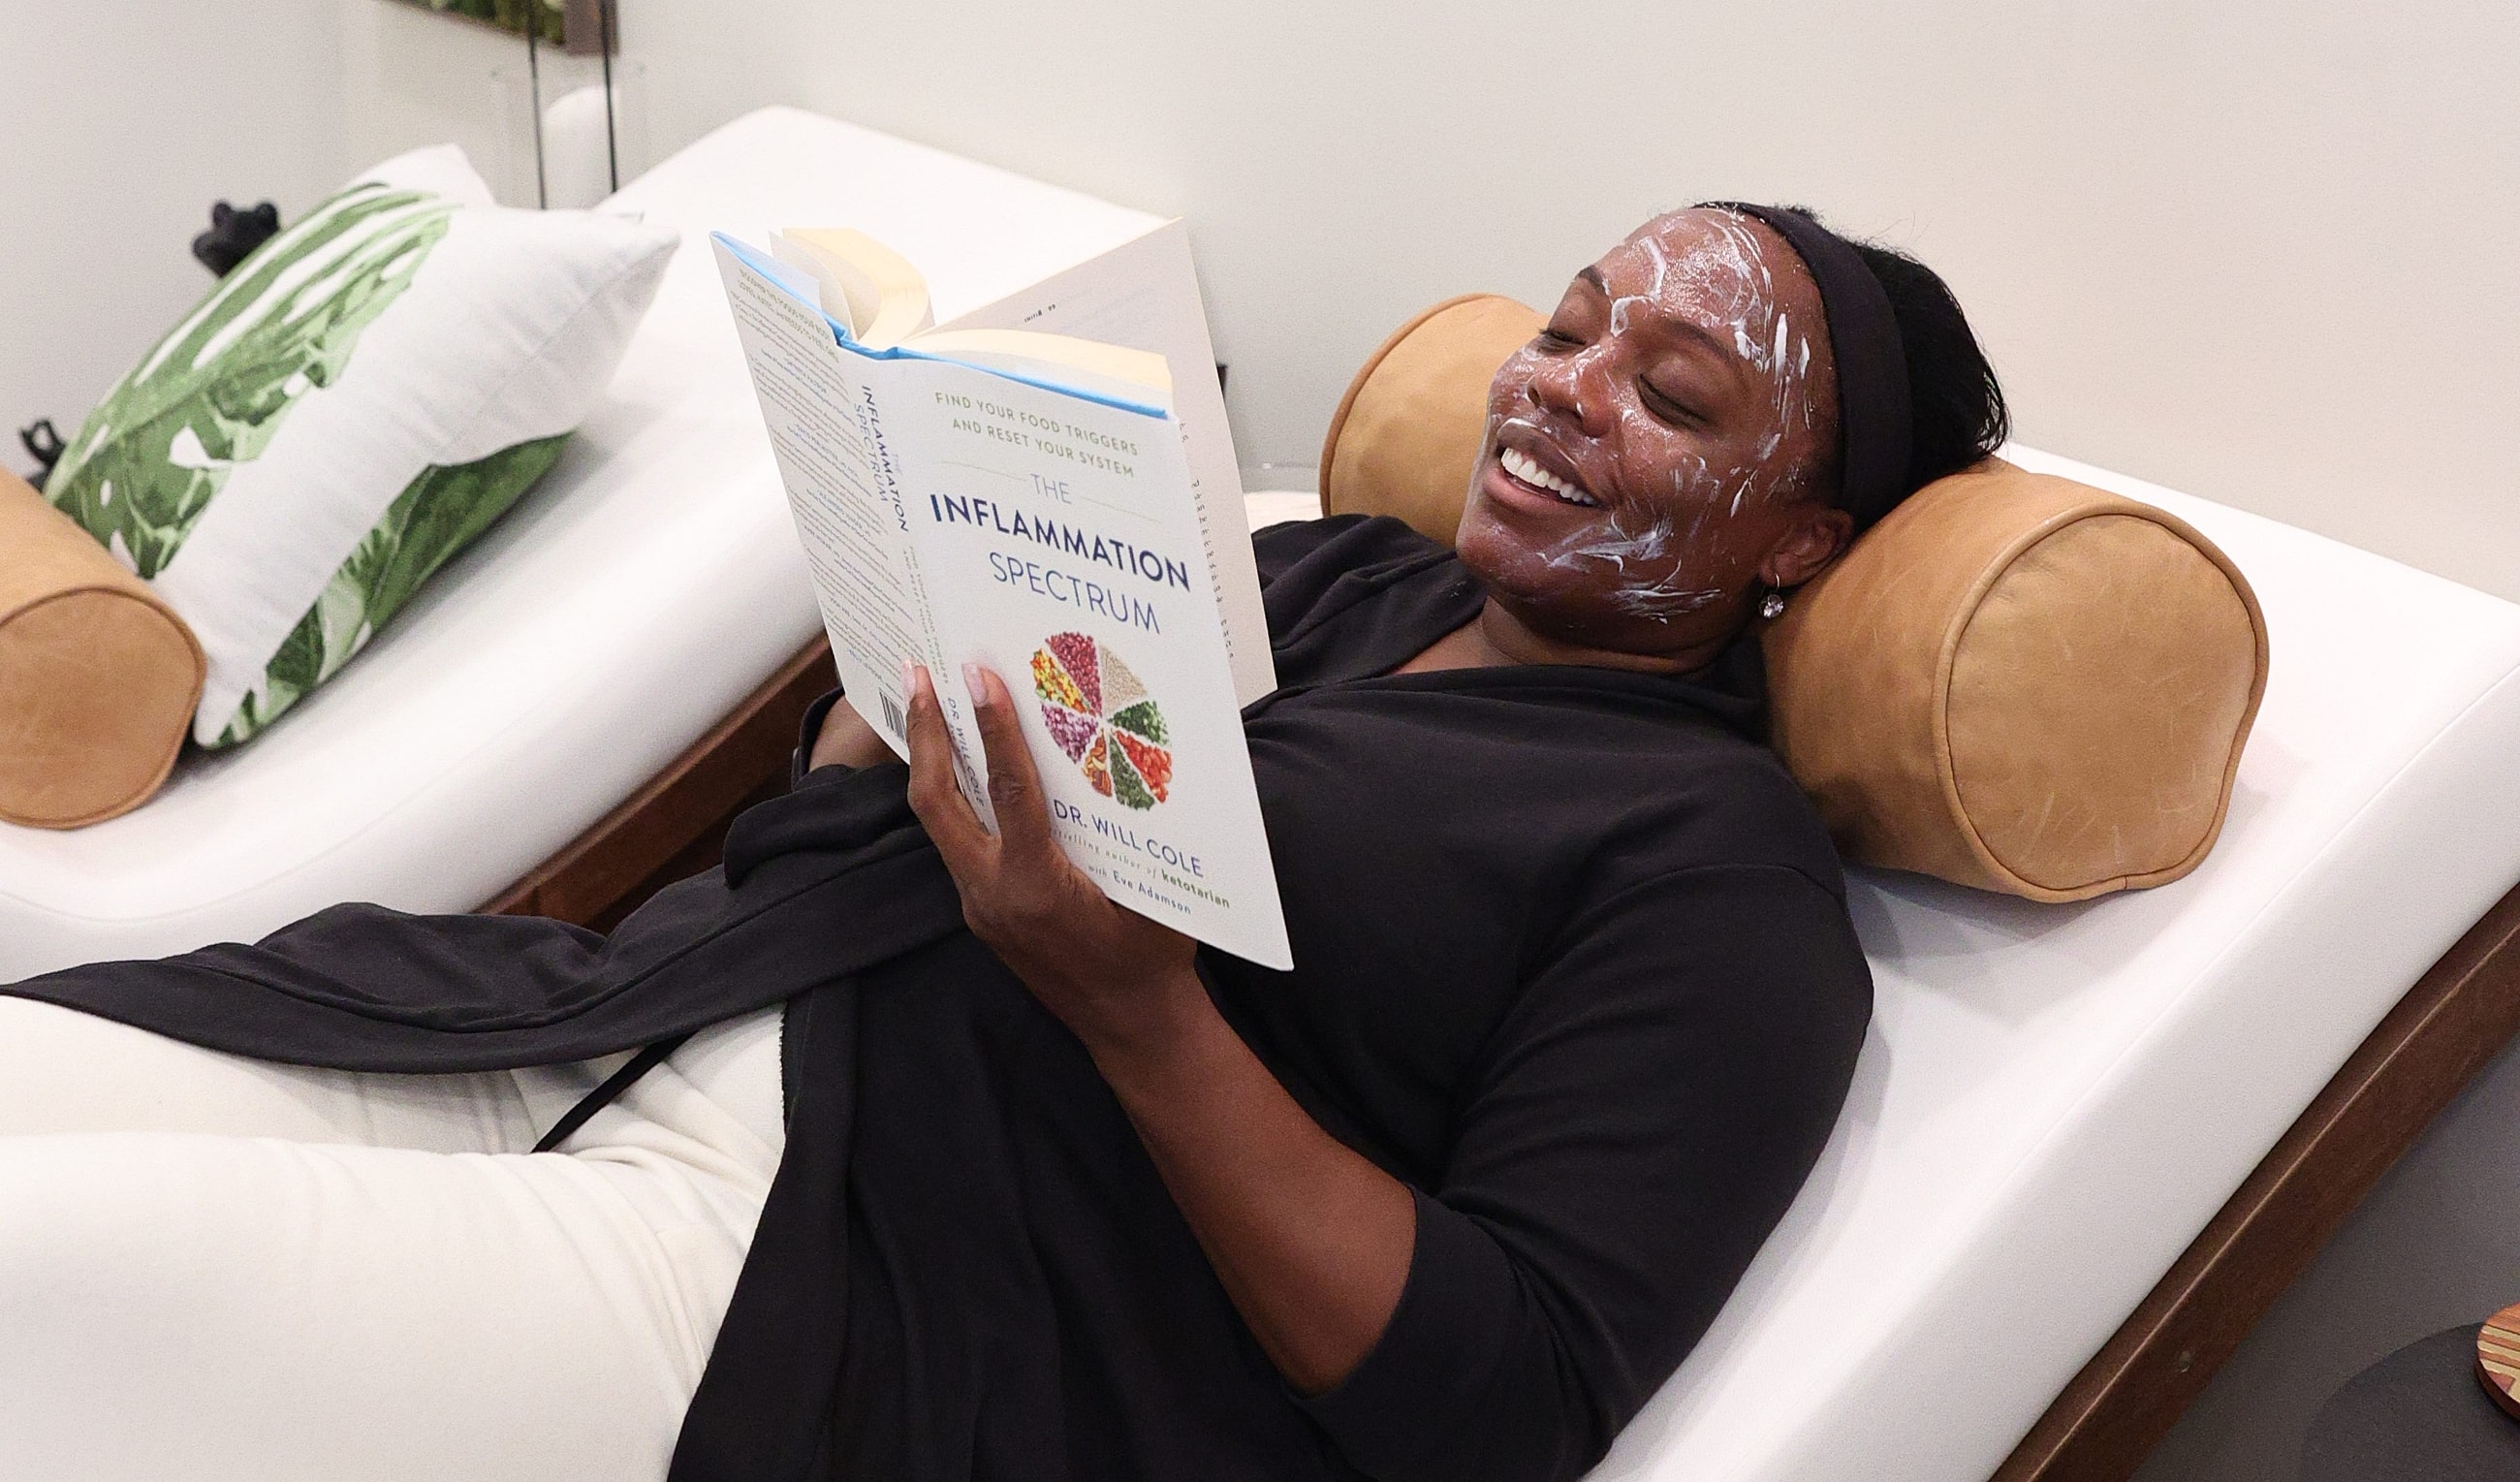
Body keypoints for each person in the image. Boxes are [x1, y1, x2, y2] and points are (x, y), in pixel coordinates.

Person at [0, 202, 2006, 1482]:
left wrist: (1139, 1017)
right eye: (1567, 328)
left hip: (825, 1278)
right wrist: (880, 708)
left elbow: (1497, 1399)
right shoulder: (1334, 579)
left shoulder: (1715, 880)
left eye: (1666, 393)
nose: (1563, 393)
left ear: (1796, 546)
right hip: (604, 1022)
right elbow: (881, 807)